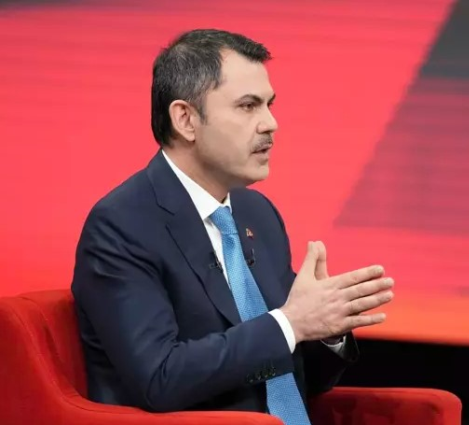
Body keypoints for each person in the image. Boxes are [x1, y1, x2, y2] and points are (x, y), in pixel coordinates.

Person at [70, 29, 394, 422]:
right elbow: (159, 379)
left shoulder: (257, 214)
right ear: (186, 119)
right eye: (248, 106)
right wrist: (289, 323)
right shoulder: (122, 226)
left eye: (269, 105)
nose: (270, 124)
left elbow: (299, 378)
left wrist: (326, 329)